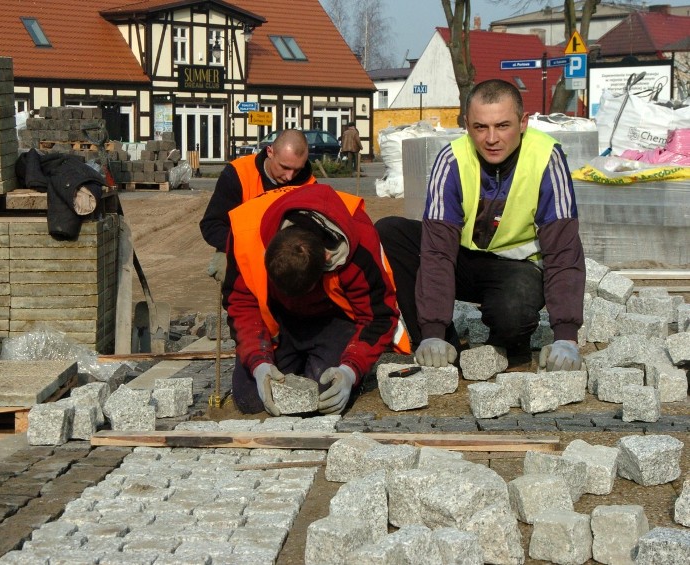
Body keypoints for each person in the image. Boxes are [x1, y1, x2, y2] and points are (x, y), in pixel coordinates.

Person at [375, 79, 585, 372]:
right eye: (480, 127)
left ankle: (505, 346)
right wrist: (433, 329)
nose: (491, 138)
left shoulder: (546, 157)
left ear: (523, 122)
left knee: (513, 312)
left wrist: (566, 336)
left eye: (502, 125)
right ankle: (438, 344)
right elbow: (437, 251)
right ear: (466, 124)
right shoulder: (452, 160)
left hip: (516, 268)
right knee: (390, 232)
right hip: (463, 261)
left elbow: (563, 249)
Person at [224, 183, 411, 415]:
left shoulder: (359, 242)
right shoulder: (246, 232)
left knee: (323, 398)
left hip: (333, 320)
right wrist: (259, 363)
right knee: (251, 400)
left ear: (326, 259)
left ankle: (317, 360)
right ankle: (296, 360)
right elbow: (242, 303)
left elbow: (379, 317)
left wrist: (350, 370)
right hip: (279, 320)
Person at [199, 129, 316, 283]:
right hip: (242, 247)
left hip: (288, 254)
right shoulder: (238, 173)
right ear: (270, 152)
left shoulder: (310, 184)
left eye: (297, 170)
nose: (289, 176)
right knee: (224, 268)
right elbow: (212, 225)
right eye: (285, 167)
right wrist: (249, 248)